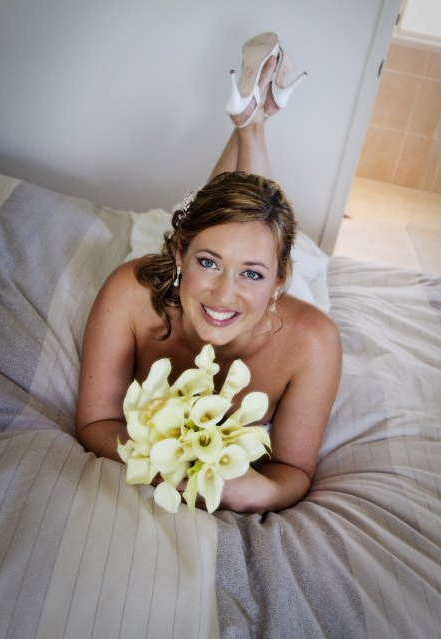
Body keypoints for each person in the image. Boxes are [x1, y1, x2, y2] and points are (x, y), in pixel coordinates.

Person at [75, 32, 342, 513]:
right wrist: (170, 465)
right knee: (230, 221)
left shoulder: (312, 340)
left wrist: (261, 490)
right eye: (207, 263)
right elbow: (96, 421)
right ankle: (251, 122)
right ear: (179, 256)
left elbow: (294, 470)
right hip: (190, 272)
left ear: (279, 281)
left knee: (241, 224)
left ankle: (250, 122)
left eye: (253, 275)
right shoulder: (129, 292)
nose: (222, 294)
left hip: (278, 310)